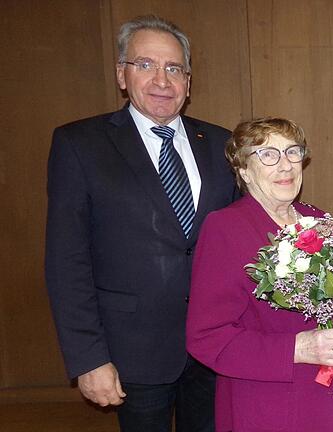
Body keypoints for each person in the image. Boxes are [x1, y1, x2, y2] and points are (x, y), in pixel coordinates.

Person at [45, 15, 236, 432]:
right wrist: (88, 358)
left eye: (174, 68)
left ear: (188, 79)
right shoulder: (80, 145)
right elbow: (66, 261)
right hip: (131, 351)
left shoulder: (224, 145)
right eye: (145, 65)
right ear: (121, 74)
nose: (161, 80)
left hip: (215, 347)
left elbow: (249, 238)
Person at [185, 117, 333, 432]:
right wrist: (297, 349)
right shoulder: (226, 228)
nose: (286, 165)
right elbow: (207, 338)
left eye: (292, 152)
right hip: (268, 408)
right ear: (244, 170)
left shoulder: (318, 218)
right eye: (268, 155)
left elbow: (328, 298)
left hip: (332, 399)